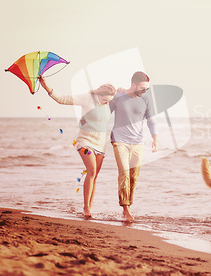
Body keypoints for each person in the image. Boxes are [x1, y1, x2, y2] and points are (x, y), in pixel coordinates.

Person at [38, 75, 116, 218]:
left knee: (94, 176)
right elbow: (63, 99)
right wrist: (46, 87)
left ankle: (89, 208)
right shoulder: (87, 98)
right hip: (85, 140)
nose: (106, 103)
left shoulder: (107, 103)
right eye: (105, 100)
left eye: (108, 102)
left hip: (100, 143)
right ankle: (85, 208)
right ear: (101, 93)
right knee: (91, 171)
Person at [110, 71, 158, 222]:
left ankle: (128, 204)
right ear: (133, 85)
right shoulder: (118, 97)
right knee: (124, 173)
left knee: (134, 177)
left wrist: (155, 138)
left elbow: (151, 121)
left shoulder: (145, 100)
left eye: (147, 89)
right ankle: (126, 209)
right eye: (142, 88)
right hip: (119, 140)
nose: (145, 91)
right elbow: (103, 112)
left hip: (138, 142)